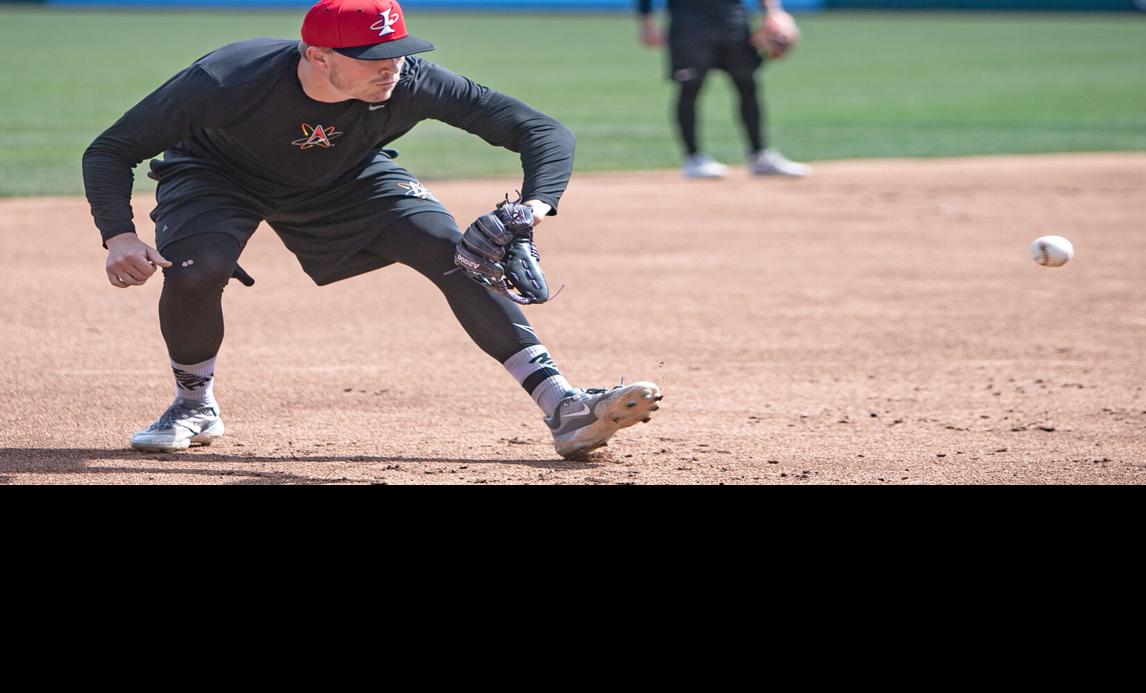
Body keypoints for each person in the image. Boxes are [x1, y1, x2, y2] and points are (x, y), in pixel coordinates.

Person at [83, 0, 661, 459]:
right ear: (317, 55)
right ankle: (193, 405)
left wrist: (534, 207)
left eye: (399, 49)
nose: (392, 64)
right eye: (372, 54)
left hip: (349, 175)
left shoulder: (410, 81)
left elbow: (542, 130)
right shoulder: (227, 79)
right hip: (218, 174)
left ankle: (563, 406)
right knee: (195, 271)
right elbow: (111, 150)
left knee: (458, 253)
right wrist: (120, 235)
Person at [637, 0, 812, 179]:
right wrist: (646, 23)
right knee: (690, 89)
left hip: (732, 21)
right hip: (689, 25)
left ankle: (760, 156)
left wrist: (774, 12)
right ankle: (693, 158)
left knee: (747, 86)